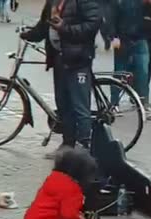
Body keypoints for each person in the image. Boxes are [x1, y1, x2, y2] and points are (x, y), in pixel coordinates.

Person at [20, 0, 101, 157]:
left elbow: (92, 25)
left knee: (80, 107)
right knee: (64, 105)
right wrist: (28, 35)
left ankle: (84, 147)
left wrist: (64, 28)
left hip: (78, 58)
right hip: (59, 58)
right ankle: (67, 144)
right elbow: (44, 26)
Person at [109, 0, 151, 119]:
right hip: (123, 38)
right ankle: (114, 104)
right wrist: (113, 36)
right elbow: (111, 15)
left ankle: (143, 105)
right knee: (119, 72)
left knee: (142, 72)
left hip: (141, 38)